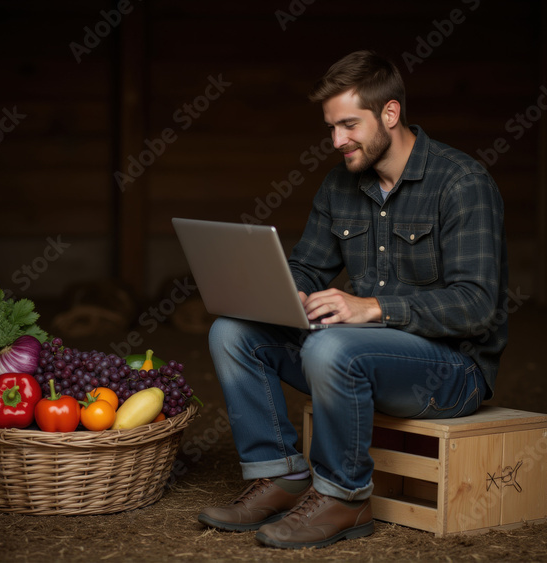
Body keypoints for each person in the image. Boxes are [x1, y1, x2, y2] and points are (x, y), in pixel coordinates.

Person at [197, 50, 509, 549]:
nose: (336, 141)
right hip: (357, 355)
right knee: (232, 332)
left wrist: (373, 308)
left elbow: (477, 306)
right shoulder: (339, 184)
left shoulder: (462, 183)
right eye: (330, 127)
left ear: (390, 113)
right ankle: (280, 476)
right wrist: (285, 290)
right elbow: (308, 266)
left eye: (348, 125)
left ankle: (345, 497)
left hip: (451, 372)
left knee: (331, 346)